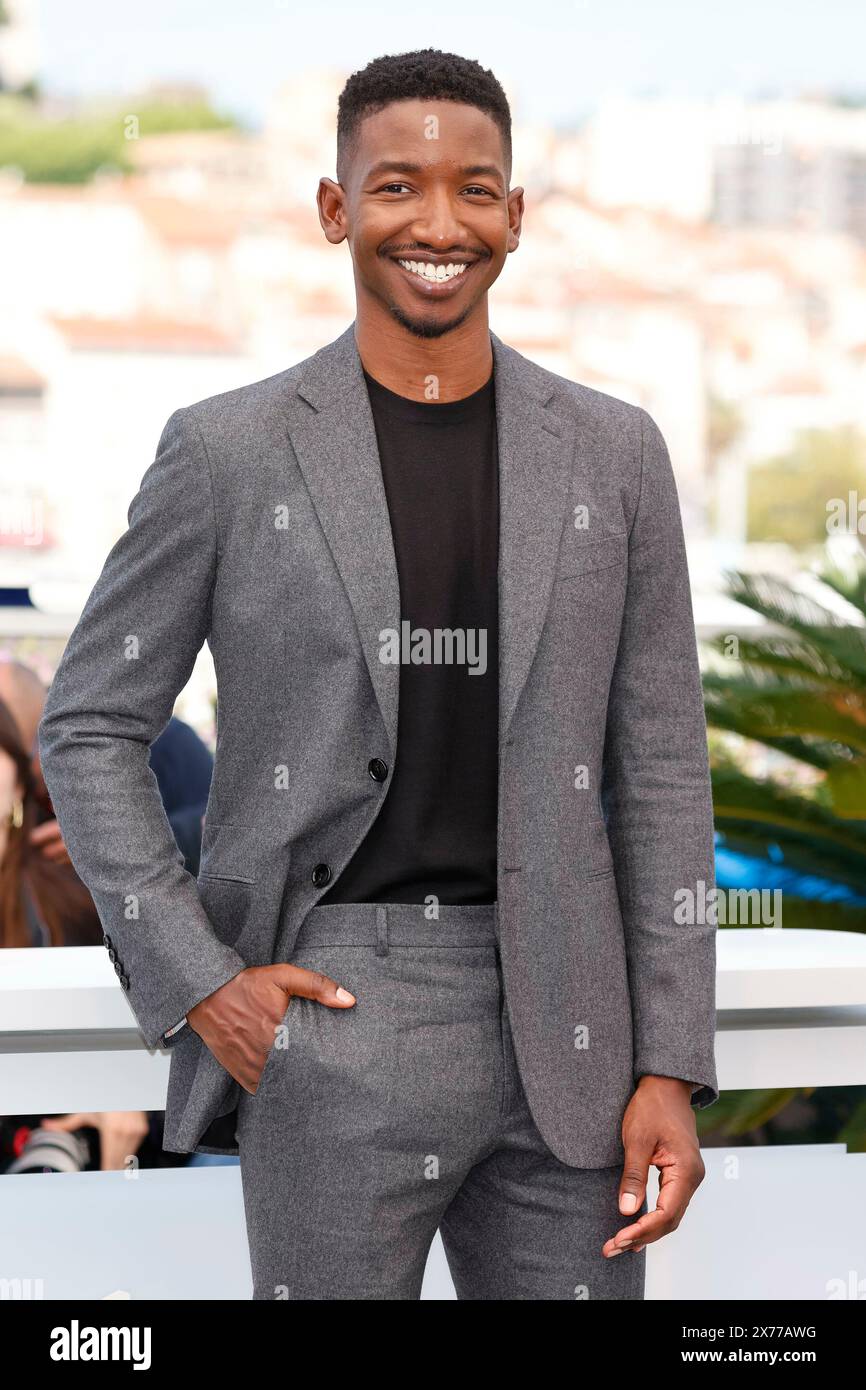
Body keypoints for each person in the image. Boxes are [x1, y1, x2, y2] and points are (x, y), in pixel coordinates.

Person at [38, 49, 718, 1300]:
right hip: (328, 1009)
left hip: (576, 1032)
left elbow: (664, 766)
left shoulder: (617, 456)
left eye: (475, 187)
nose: (438, 223)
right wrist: (203, 985)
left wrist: (668, 1058)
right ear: (335, 209)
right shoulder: (226, 452)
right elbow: (86, 725)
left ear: (516, 214)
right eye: (396, 185)